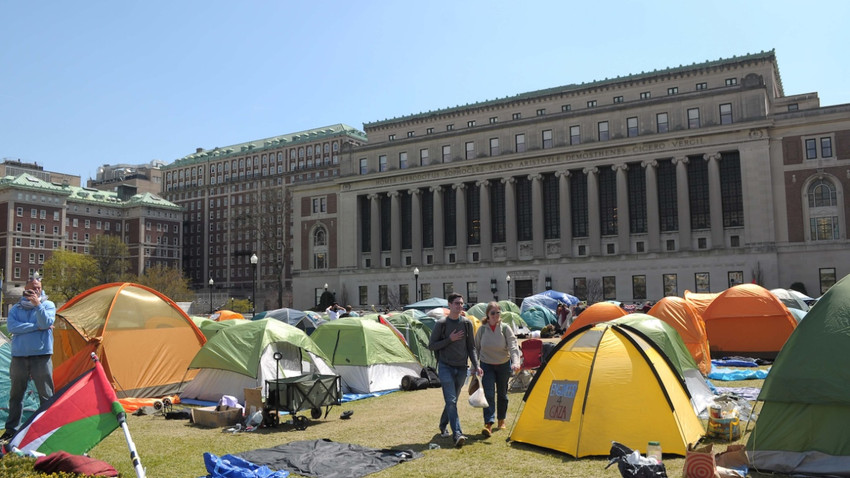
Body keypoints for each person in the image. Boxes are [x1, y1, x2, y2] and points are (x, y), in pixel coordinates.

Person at [2, 276, 56, 441]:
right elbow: (12, 327)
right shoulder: (16, 309)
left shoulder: (47, 305)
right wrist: (36, 327)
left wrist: (38, 305)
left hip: (41, 356)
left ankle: (47, 429)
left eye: (38, 287)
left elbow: (46, 322)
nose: (35, 290)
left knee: (46, 395)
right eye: (32, 288)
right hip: (19, 356)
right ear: (25, 289)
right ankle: (11, 429)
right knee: (16, 395)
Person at [428, 293, 479, 448]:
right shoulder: (441, 323)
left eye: (461, 303)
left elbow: (471, 347)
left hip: (462, 367)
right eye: (456, 303)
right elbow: (431, 345)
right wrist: (450, 339)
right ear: (449, 305)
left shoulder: (466, 323)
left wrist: (476, 365)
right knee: (451, 401)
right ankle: (457, 434)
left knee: (452, 401)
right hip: (445, 367)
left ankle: (443, 425)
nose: (459, 306)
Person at [474, 302, 520, 437]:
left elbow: (513, 346)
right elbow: (476, 349)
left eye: (498, 313)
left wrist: (516, 362)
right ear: (487, 315)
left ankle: (501, 419)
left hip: (503, 364)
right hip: (486, 364)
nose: (495, 315)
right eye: (492, 313)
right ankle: (488, 423)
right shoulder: (482, 330)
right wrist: (475, 366)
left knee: (502, 394)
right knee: (488, 394)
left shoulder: (505, 328)